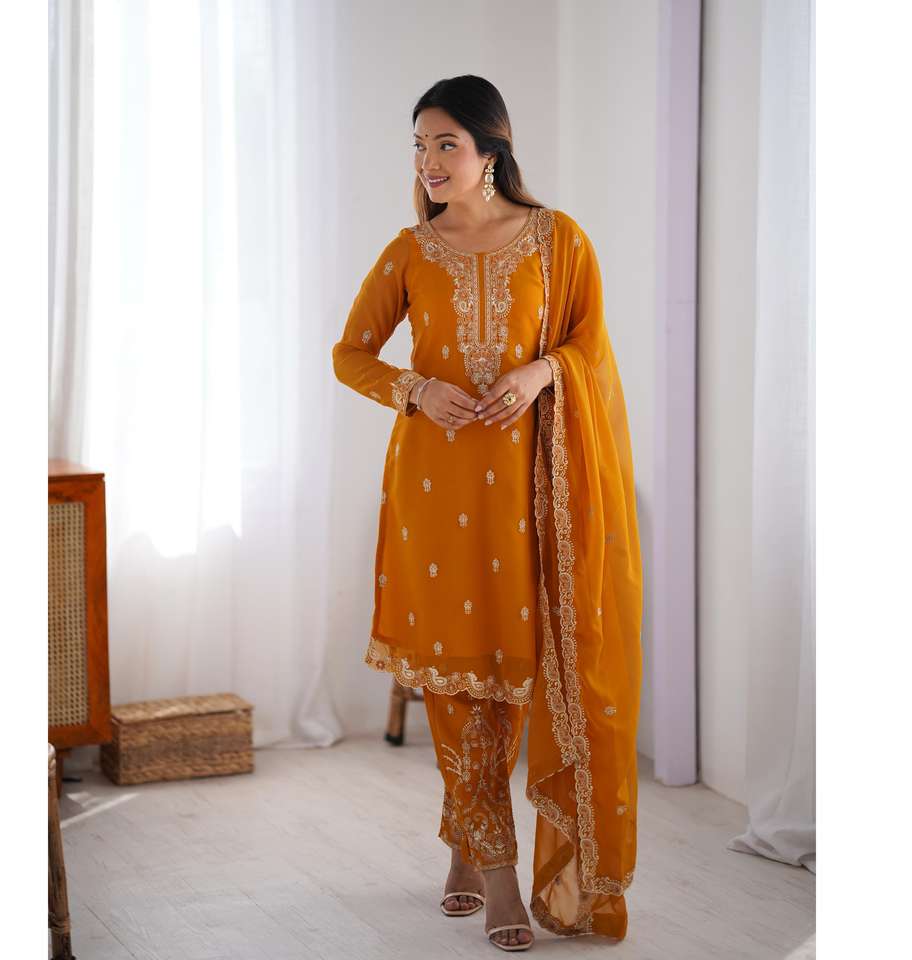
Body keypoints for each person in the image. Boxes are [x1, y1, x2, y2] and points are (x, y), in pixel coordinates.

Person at [332, 75, 643, 952]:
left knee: (521, 678)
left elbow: (589, 345)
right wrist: (416, 388)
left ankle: (468, 848)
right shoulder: (409, 252)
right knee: (457, 682)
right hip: (434, 493)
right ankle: (498, 872)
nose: (428, 162)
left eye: (446, 145)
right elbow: (350, 354)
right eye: (419, 146)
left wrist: (542, 372)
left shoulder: (558, 240)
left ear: (491, 151)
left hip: (534, 495)